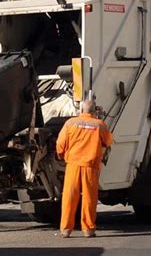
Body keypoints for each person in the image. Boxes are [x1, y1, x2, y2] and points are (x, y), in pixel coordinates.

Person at [56, 100, 113, 238]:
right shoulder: (100, 125)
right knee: (89, 198)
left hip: (73, 165)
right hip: (90, 166)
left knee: (69, 197)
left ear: (81, 110)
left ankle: (66, 229)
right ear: (94, 111)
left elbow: (60, 144)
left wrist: (61, 156)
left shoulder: (70, 123)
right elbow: (108, 142)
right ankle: (88, 229)